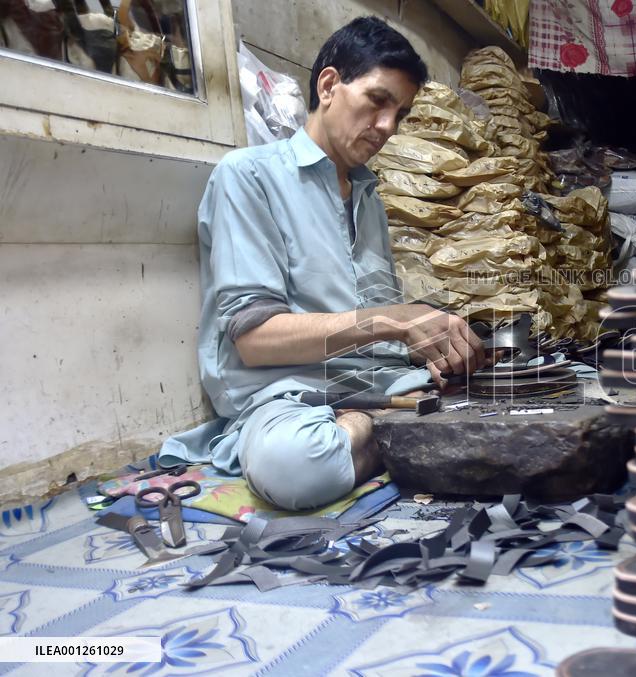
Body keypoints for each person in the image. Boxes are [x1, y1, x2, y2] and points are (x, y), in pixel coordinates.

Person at [159, 16, 487, 510]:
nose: (387, 128)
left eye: (400, 113)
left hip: (379, 382)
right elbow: (254, 341)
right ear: (329, 85)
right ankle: (390, 427)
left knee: (498, 393)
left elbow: (376, 324)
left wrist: (432, 344)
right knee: (295, 468)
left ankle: (385, 424)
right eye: (378, 101)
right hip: (291, 398)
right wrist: (395, 321)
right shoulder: (247, 177)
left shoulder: (369, 194)